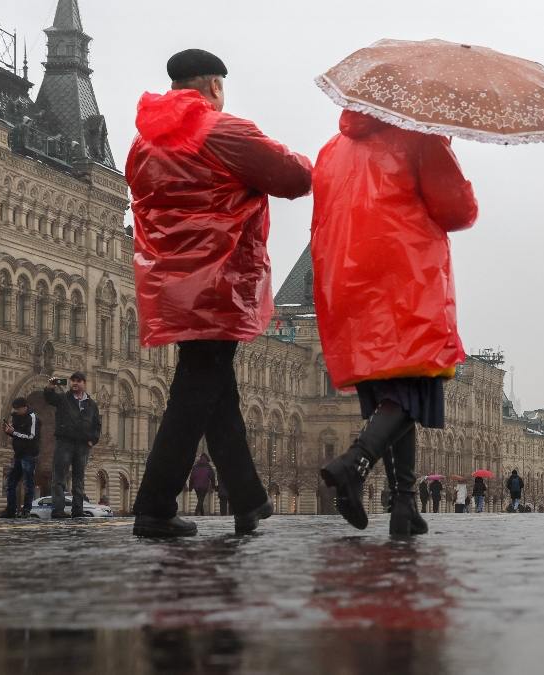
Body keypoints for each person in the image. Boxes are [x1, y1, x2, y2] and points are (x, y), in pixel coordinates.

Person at [127, 49, 312, 538]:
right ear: (213, 85)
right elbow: (293, 177)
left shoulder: (144, 143)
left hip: (170, 282)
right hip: (219, 280)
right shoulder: (221, 130)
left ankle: (248, 499)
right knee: (194, 389)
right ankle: (154, 503)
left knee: (216, 389)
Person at [312, 96, 478, 538]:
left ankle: (404, 504)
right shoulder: (419, 137)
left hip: (349, 282)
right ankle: (354, 462)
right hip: (407, 283)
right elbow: (457, 210)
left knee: (392, 397)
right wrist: (444, 148)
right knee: (411, 392)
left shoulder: (334, 148)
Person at [44, 372, 101, 520]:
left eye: (78, 381)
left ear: (84, 383)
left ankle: (78, 510)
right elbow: (49, 398)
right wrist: (50, 387)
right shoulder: (63, 398)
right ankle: (58, 510)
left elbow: (97, 424)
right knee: (59, 477)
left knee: (79, 479)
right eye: (72, 381)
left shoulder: (91, 404)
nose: (75, 383)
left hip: (82, 445)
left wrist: (92, 440)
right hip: (65, 442)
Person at [0, 397, 40, 518]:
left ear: (25, 407)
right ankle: (10, 510)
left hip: (29, 454)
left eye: (18, 409)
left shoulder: (33, 417)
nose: (16, 411)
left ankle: (26, 510)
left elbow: (31, 436)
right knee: (11, 482)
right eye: (15, 409)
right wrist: (8, 431)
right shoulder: (16, 417)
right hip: (18, 454)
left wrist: (14, 433)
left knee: (28, 483)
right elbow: (16, 433)